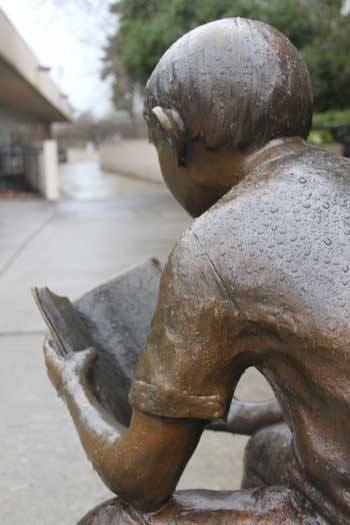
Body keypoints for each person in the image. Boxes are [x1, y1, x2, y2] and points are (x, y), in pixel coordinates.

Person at [44, 17, 350, 524]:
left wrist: (74, 388)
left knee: (115, 520)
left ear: (172, 133)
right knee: (269, 450)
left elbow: (142, 481)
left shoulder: (215, 246)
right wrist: (220, 415)